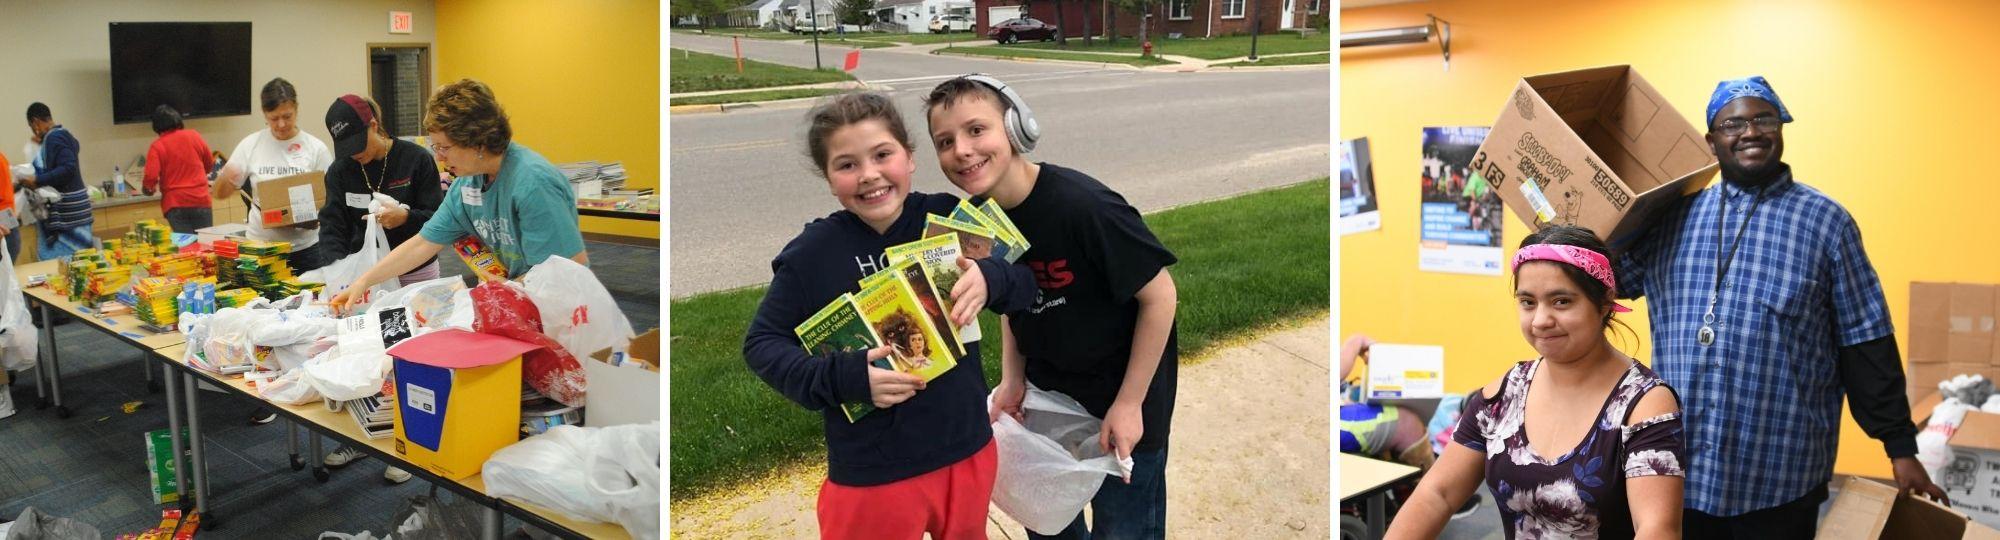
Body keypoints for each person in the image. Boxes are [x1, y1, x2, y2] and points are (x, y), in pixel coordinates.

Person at [1615, 75, 1944, 538]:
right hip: (1677, 468)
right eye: (1733, 123)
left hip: (1779, 473)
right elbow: (1603, 284)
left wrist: (1900, 448)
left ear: (1781, 127)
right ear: (1712, 142)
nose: (1750, 132)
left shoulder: (1827, 223)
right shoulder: (1673, 218)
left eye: (1763, 118)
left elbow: (1865, 341)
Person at [740, 92, 1036, 539]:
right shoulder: (813, 255)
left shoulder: (950, 219)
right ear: (828, 178)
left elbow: (1025, 287)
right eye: (847, 164)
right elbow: (762, 345)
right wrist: (844, 378)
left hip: (967, 448)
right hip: (875, 470)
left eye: (882, 155)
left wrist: (991, 278)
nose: (870, 175)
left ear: (910, 158)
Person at [926, 74, 1180, 539]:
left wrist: (1128, 404)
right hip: (1049, 401)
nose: (961, 149)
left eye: (976, 130)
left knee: (1124, 527)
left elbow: (1160, 296)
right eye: (945, 141)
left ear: (1017, 127)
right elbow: (1012, 304)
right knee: (1048, 524)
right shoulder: (980, 222)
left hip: (1120, 401)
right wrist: (1012, 380)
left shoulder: (1083, 206)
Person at [1388, 225, 1685, 540]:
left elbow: (1657, 529)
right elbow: (1437, 493)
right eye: (1528, 302)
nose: (1541, 320)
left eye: (1561, 302)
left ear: (1604, 302)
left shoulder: (1644, 405)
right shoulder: (1504, 395)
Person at [328, 79, 589, 316]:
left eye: (444, 147)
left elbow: (565, 271)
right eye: (435, 147)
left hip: (561, 312)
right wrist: (364, 281)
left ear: (477, 141)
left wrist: (509, 289)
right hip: (518, 300)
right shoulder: (468, 182)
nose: (439, 157)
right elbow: (423, 243)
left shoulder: (533, 182)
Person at [313, 94, 447, 484]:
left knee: (414, 359)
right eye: (346, 150)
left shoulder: (415, 159)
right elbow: (333, 222)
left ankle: (409, 444)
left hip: (417, 272)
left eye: (360, 145)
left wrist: (405, 215)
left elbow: (438, 219)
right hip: (366, 277)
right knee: (367, 354)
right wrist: (334, 272)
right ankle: (365, 434)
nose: (355, 156)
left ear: (374, 124)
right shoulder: (341, 170)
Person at [213, 78, 334, 273]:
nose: (281, 124)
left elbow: (332, 198)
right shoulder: (250, 145)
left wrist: (315, 218)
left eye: (287, 116)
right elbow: (219, 194)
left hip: (305, 250)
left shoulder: (316, 149)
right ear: (264, 114)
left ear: (296, 109)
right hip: (260, 249)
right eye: (273, 118)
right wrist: (226, 177)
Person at [22, 102, 94, 260]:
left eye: (32, 126)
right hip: (76, 212)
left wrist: (37, 179)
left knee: (64, 266)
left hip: (68, 216)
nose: (34, 131)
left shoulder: (54, 137)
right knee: (79, 265)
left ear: (35, 122)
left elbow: (68, 168)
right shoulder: (63, 134)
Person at [142, 105, 215, 233]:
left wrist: (148, 189)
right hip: (200, 199)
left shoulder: (157, 146)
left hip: (175, 203)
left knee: (186, 248)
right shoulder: (194, 136)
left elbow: (151, 176)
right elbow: (209, 163)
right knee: (205, 243)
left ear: (156, 126)